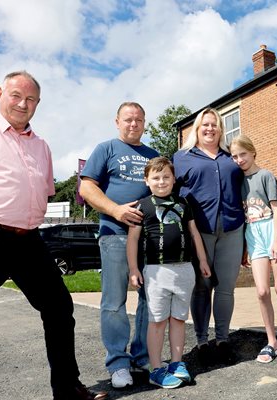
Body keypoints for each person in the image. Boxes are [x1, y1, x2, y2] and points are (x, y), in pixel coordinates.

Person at [0, 71, 107, 400]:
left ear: (38, 104)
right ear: (0, 93)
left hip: (28, 241)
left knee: (58, 309)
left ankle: (67, 389)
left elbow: (42, 194)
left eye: (31, 100)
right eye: (16, 96)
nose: (23, 104)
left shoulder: (41, 146)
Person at [79, 102, 159, 388]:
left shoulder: (154, 155)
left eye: (139, 119)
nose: (133, 124)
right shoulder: (106, 149)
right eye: (128, 120)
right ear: (117, 122)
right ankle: (118, 363)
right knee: (114, 301)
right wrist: (115, 210)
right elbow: (86, 187)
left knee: (150, 301)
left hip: (150, 238)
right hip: (114, 234)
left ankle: (143, 357)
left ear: (144, 123)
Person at [126, 157, 211, 388]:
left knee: (179, 319)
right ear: (146, 180)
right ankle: (156, 368)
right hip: (156, 272)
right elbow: (133, 239)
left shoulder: (184, 204)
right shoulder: (142, 206)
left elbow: (194, 234)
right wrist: (134, 268)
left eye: (166, 177)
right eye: (156, 177)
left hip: (185, 270)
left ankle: (176, 363)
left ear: (174, 179)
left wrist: (202, 260)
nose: (161, 181)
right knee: (157, 321)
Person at [172, 108, 245, 365]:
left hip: (232, 229)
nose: (210, 129)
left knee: (225, 288)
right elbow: (170, 191)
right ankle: (202, 340)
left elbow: (247, 183)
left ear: (221, 129)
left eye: (215, 125)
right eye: (205, 124)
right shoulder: (182, 158)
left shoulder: (230, 158)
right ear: (197, 128)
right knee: (202, 287)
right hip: (199, 232)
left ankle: (223, 339)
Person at [229, 134, 277, 363]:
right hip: (253, 236)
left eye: (243, 154)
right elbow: (242, 216)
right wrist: (243, 247)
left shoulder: (266, 176)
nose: (239, 159)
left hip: (272, 232)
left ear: (253, 152)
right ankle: (272, 341)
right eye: (234, 156)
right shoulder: (237, 182)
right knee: (262, 291)